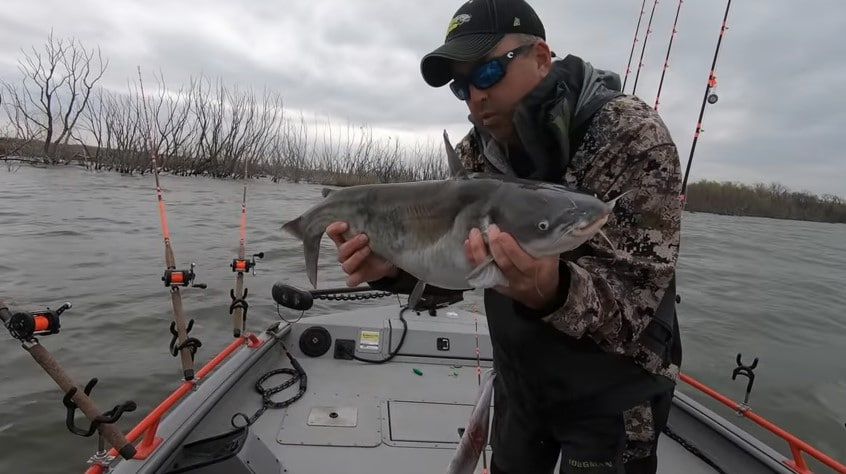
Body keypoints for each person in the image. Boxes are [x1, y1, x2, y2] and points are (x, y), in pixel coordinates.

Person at [325, 0, 683, 472]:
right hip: (520, 383)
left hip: (614, 395)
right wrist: (394, 269)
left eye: (489, 71)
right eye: (461, 85)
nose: (476, 96)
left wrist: (552, 291)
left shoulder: (634, 137)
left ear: (540, 56)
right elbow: (465, 267)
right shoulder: (477, 155)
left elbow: (636, 307)